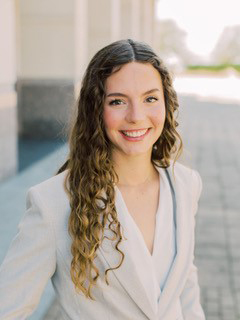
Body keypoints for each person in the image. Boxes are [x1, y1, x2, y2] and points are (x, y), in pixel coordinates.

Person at [0, 39, 205, 320]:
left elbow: (185, 286)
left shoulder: (185, 184)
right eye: (118, 101)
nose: (136, 116)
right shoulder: (54, 203)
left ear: (167, 104)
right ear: (95, 109)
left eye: (150, 99)